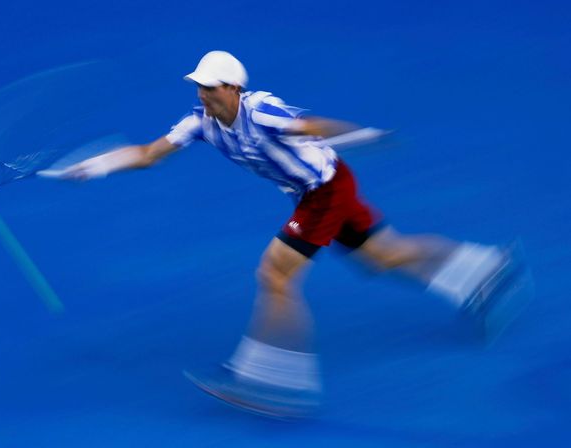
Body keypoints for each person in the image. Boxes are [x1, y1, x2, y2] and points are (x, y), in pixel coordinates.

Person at [49, 51, 526, 418]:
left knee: (275, 273)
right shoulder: (199, 124)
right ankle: (485, 269)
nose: (202, 96)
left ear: (234, 88)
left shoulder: (262, 112)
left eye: (211, 89)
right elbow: (149, 153)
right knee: (383, 256)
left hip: (325, 191)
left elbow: (310, 126)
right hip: (318, 191)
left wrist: (358, 134)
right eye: (199, 88)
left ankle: (272, 378)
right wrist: (94, 167)